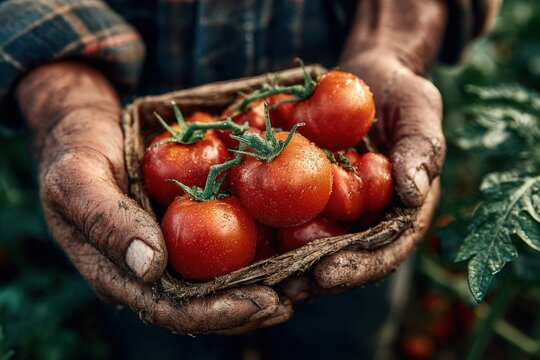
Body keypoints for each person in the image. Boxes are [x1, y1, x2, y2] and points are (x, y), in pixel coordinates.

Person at [0, 0, 498, 355]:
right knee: (154, 327)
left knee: (343, 339)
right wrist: (67, 106)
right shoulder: (233, 162)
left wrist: (392, 46)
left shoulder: (293, 150)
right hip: (120, 117)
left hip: (344, 59)